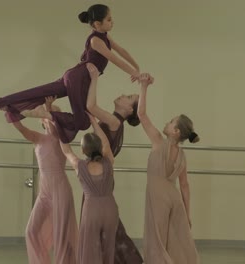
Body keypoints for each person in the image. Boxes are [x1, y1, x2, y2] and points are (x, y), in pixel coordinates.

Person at [0, 4, 140, 143]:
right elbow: (114, 59)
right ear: (97, 24)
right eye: (109, 19)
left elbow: (122, 51)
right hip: (79, 78)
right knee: (82, 122)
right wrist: (134, 73)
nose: (112, 22)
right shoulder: (96, 40)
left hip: (75, 76)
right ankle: (46, 114)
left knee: (38, 92)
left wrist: (136, 67)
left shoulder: (105, 37)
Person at [137, 74, 200, 264]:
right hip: (174, 198)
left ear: (176, 131)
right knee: (173, 241)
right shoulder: (182, 155)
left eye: (171, 121)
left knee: (156, 239)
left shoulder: (158, 141)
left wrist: (144, 87)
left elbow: (141, 115)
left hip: (158, 197)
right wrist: (187, 214)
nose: (167, 122)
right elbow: (185, 186)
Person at [85, 63, 143, 263]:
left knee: (102, 227)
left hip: (97, 179)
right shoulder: (115, 122)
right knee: (107, 226)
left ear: (129, 109)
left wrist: (94, 78)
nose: (123, 95)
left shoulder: (114, 121)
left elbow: (90, 107)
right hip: (99, 177)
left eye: (128, 97)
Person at [8, 103, 78, 264]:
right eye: (47, 115)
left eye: (55, 115)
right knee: (31, 231)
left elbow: (56, 127)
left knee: (62, 237)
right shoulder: (37, 138)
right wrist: (9, 110)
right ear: (41, 120)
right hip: (44, 193)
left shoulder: (62, 137)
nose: (51, 117)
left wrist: (48, 107)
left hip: (61, 190)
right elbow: (19, 127)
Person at [60, 112, 119, 264]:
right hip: (110, 209)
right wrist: (93, 120)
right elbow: (105, 143)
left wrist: (58, 124)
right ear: (99, 148)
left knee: (89, 250)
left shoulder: (79, 166)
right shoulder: (108, 161)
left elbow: (66, 150)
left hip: (91, 210)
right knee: (108, 249)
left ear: (83, 150)